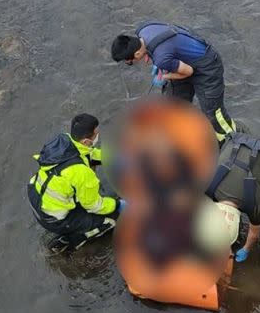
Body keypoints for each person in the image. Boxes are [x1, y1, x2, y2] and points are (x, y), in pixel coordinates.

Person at [111, 21, 237, 143]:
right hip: (180, 60)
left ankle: (231, 140)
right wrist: (152, 54)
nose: (129, 63)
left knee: (213, 112)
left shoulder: (162, 58)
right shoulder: (143, 29)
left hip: (206, 67)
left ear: (137, 53)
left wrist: (164, 76)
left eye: (129, 62)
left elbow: (188, 72)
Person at [27, 113, 124, 251]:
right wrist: (118, 204)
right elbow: (95, 205)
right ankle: (68, 241)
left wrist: (113, 158)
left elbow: (89, 153)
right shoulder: (81, 173)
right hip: (53, 218)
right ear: (85, 141)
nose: (98, 135)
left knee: (84, 193)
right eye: (96, 134)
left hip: (38, 197)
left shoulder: (65, 140)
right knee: (112, 220)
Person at [205, 132, 260, 262]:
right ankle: (228, 238)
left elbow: (254, 233)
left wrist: (246, 249)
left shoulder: (254, 203)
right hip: (233, 142)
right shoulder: (207, 187)